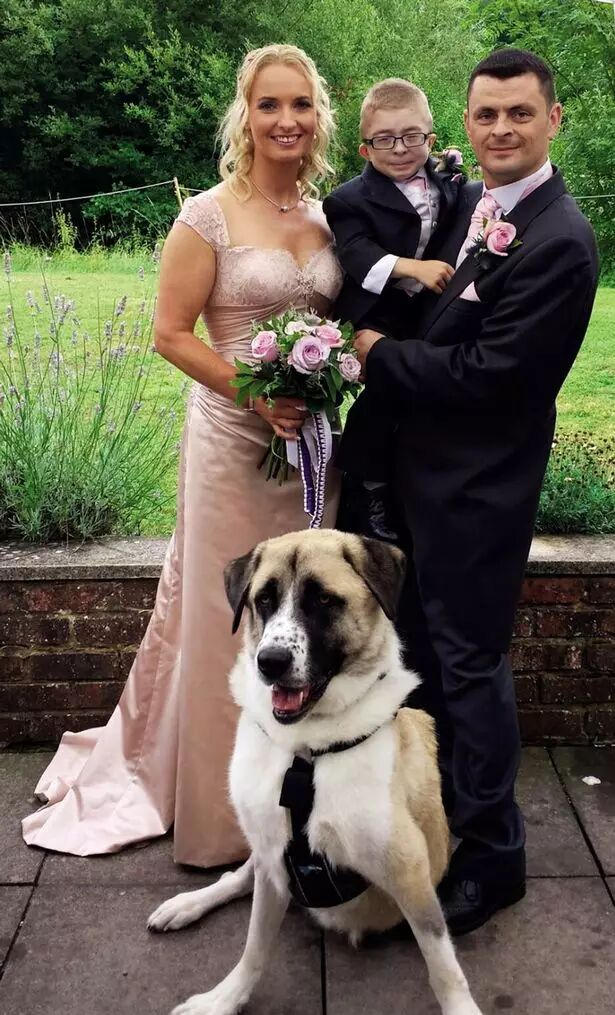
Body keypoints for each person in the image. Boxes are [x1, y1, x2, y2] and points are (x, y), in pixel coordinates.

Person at [22, 44, 342, 868]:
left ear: (318, 116)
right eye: (269, 104)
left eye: (300, 104)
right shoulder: (207, 214)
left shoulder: (326, 215)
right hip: (232, 443)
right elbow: (169, 333)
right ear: (245, 115)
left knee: (302, 616)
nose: (286, 120)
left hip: (309, 452)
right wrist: (255, 396)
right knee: (225, 614)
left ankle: (297, 796)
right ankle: (220, 815)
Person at [337, 48, 599, 935]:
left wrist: (379, 355)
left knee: (471, 668)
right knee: (430, 663)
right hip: (423, 480)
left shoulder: (558, 239)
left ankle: (493, 857)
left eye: (519, 113)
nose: (500, 129)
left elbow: (492, 377)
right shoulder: (476, 207)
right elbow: (434, 305)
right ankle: (434, 822)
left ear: (552, 119)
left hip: (479, 493)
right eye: (485, 113)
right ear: (467, 120)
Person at [323, 78, 464, 542]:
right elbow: (357, 255)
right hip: (376, 312)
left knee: (424, 391)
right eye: (384, 139)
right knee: (383, 396)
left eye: (411, 136)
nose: (400, 148)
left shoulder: (449, 184)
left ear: (431, 140)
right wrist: (413, 267)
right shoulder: (347, 200)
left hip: (424, 312)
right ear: (365, 149)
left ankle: (418, 479)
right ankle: (369, 485)